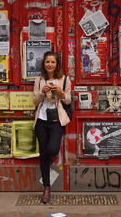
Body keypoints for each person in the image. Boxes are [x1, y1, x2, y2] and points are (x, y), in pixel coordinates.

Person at [33, 51, 71, 204]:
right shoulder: (39, 80)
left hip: (56, 120)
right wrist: (42, 93)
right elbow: (35, 102)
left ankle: (49, 158)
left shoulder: (65, 79)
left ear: (57, 64)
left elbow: (68, 100)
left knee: (52, 150)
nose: (50, 64)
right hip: (41, 120)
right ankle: (46, 189)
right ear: (44, 64)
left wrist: (60, 92)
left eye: (53, 62)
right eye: (47, 62)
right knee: (43, 155)